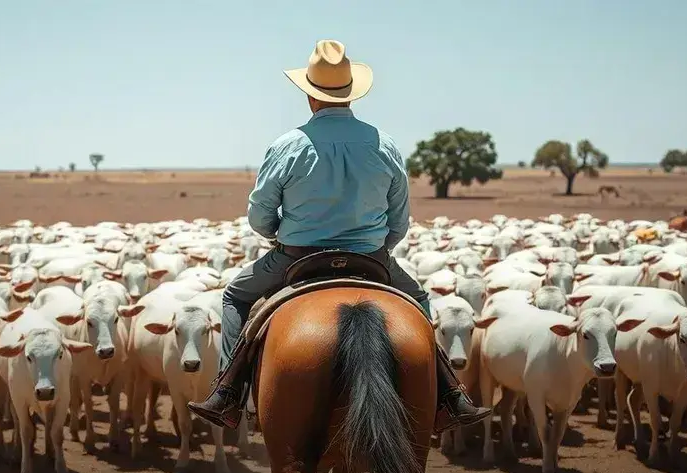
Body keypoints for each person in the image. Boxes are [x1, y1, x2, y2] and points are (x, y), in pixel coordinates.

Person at [187, 39, 493, 433]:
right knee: (417, 300)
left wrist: (278, 235)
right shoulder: (385, 144)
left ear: (310, 96)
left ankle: (227, 393)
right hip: (370, 257)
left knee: (235, 295)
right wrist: (377, 248)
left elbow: (259, 215)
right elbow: (399, 220)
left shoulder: (288, 145)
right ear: (351, 94)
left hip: (296, 256)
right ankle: (450, 397)